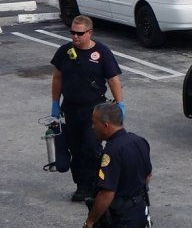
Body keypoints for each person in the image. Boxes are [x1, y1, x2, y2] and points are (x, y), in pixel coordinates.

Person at [50, 15, 124, 202]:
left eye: (79, 33)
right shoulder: (64, 52)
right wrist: (55, 103)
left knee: (91, 148)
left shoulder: (102, 52)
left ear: (90, 32)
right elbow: (57, 78)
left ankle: (95, 186)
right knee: (75, 149)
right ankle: (81, 187)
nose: (75, 37)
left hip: (94, 110)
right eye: (72, 32)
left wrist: (120, 104)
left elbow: (113, 80)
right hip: (70, 109)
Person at [83, 102, 152, 228]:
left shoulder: (112, 152)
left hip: (120, 217)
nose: (93, 127)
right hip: (139, 210)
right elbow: (147, 175)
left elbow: (106, 194)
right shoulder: (140, 141)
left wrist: (90, 221)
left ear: (105, 125)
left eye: (95, 123)